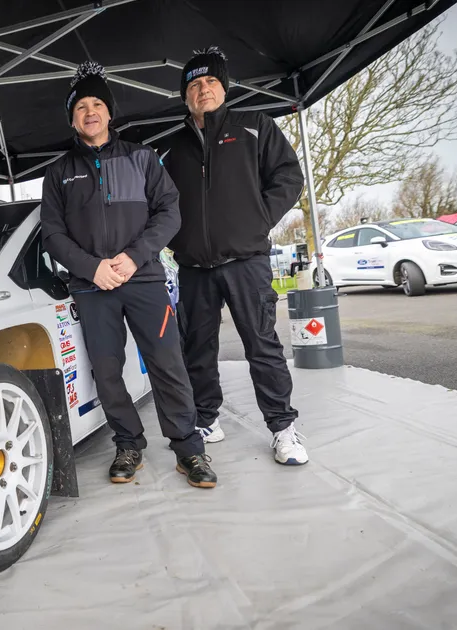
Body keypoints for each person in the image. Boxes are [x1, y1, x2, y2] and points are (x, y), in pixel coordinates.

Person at [41, 61, 217, 488]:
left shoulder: (142, 158)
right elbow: (53, 235)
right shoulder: (59, 173)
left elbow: (169, 212)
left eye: (97, 103)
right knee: (106, 370)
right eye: (81, 106)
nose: (90, 112)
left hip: (144, 280)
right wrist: (92, 268)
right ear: (73, 117)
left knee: (167, 364)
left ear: (109, 112)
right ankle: (128, 443)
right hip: (92, 286)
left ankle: (189, 449)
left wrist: (135, 257)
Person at [162, 46, 310, 465]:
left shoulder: (255, 126)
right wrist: (177, 240)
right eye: (194, 84)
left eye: (210, 82)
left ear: (223, 87)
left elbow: (288, 176)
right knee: (198, 348)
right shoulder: (173, 149)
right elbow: (163, 205)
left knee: (261, 345)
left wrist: (257, 219)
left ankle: (283, 429)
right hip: (193, 268)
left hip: (245, 261)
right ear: (185, 95)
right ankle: (207, 419)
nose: (202, 89)